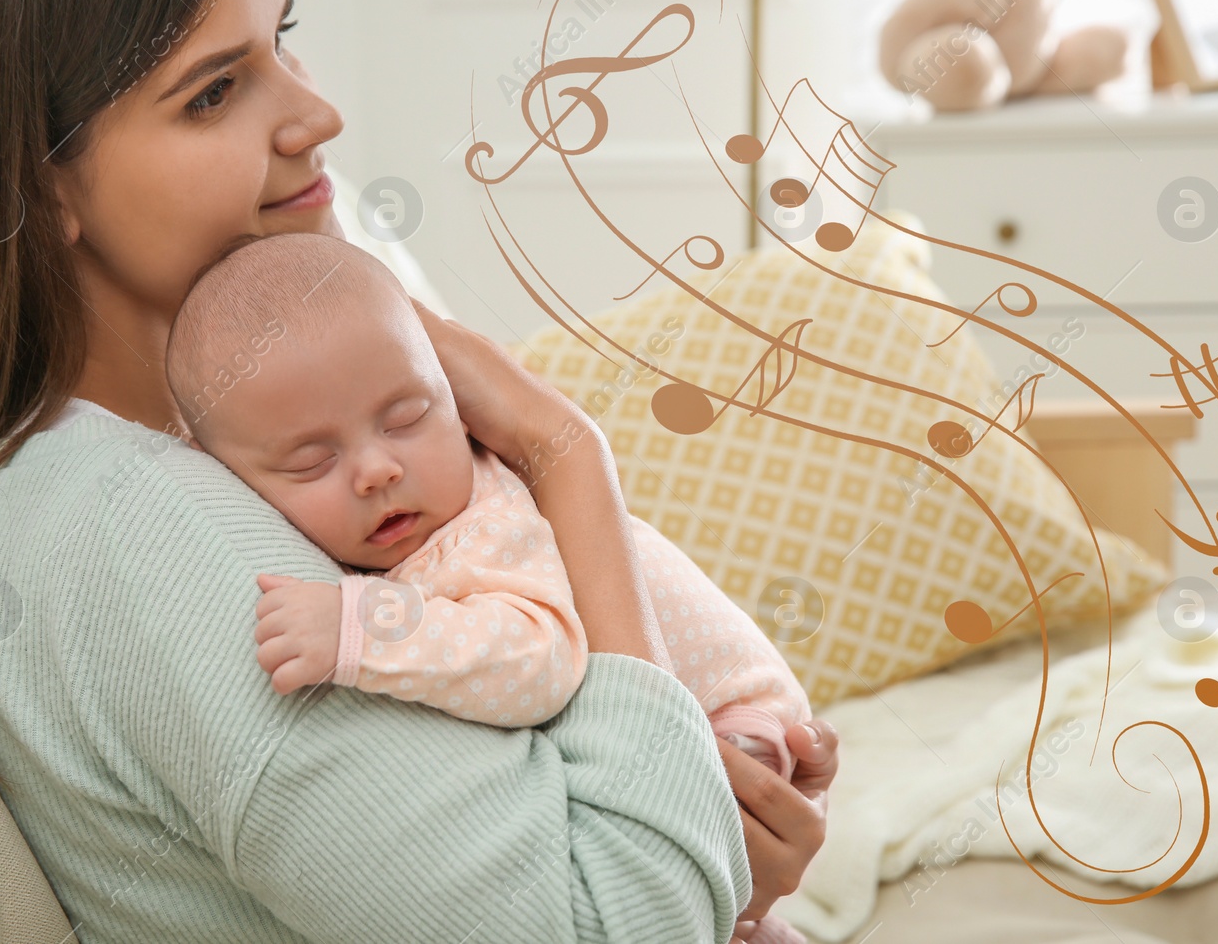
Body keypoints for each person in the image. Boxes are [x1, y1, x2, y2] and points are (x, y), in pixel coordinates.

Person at [0, 0, 837, 942]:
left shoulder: (203, 434)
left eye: (282, 37)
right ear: (28, 186)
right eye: (212, 92)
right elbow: (615, 923)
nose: (315, 114)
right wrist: (566, 453)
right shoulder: (135, 532)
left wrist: (709, 828)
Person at [164, 233, 814, 780]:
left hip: (736, 719)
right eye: (312, 462)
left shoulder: (482, 526)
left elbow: (540, 663)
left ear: (458, 401)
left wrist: (364, 626)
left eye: (408, 418)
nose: (377, 470)